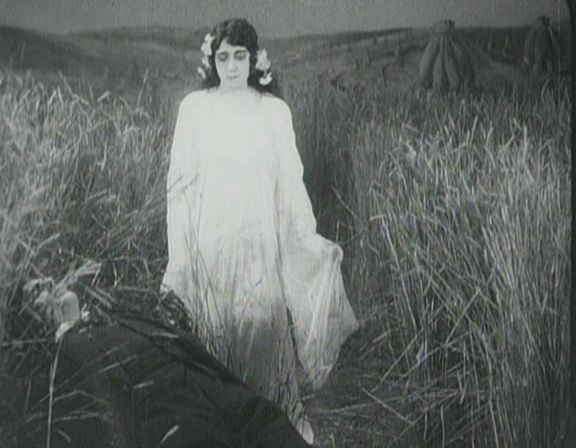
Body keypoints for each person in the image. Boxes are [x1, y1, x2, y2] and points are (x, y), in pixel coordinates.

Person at [161, 18, 359, 444]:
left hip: (258, 248)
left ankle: (272, 429)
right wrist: (181, 259)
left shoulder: (274, 113)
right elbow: (178, 189)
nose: (232, 66)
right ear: (212, 61)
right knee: (213, 337)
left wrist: (309, 242)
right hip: (209, 247)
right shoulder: (194, 110)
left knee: (261, 331)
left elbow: (290, 186)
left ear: (254, 59)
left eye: (240, 56)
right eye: (224, 57)